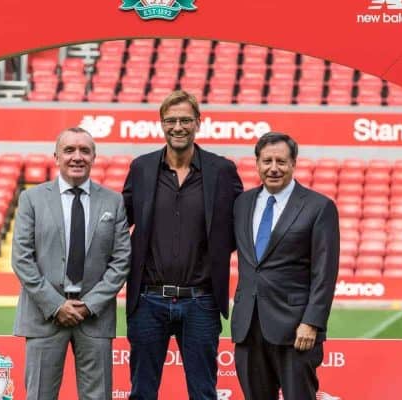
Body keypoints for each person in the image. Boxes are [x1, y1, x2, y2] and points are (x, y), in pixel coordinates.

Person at [123, 90, 243, 399]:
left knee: (203, 393)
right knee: (142, 392)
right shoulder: (141, 168)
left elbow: (240, 223)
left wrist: (216, 252)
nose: (178, 127)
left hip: (201, 301)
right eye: (171, 120)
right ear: (161, 124)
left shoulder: (222, 170)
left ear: (198, 124)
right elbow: (118, 222)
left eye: (186, 120)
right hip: (148, 300)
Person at [12, 127, 131, 400]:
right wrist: (55, 305)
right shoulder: (32, 199)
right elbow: (22, 258)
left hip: (95, 317)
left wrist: (90, 305)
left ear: (94, 157)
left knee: (98, 396)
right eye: (69, 150)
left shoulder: (113, 202)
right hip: (44, 316)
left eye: (84, 151)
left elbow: (121, 260)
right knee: (40, 395)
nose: (77, 157)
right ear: (56, 157)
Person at [231, 132, 339, 400]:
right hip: (248, 327)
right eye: (267, 161)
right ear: (257, 164)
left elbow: (324, 272)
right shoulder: (242, 203)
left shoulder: (319, 206)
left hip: (295, 331)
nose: (274, 168)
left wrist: (312, 322)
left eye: (281, 161)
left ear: (293, 164)